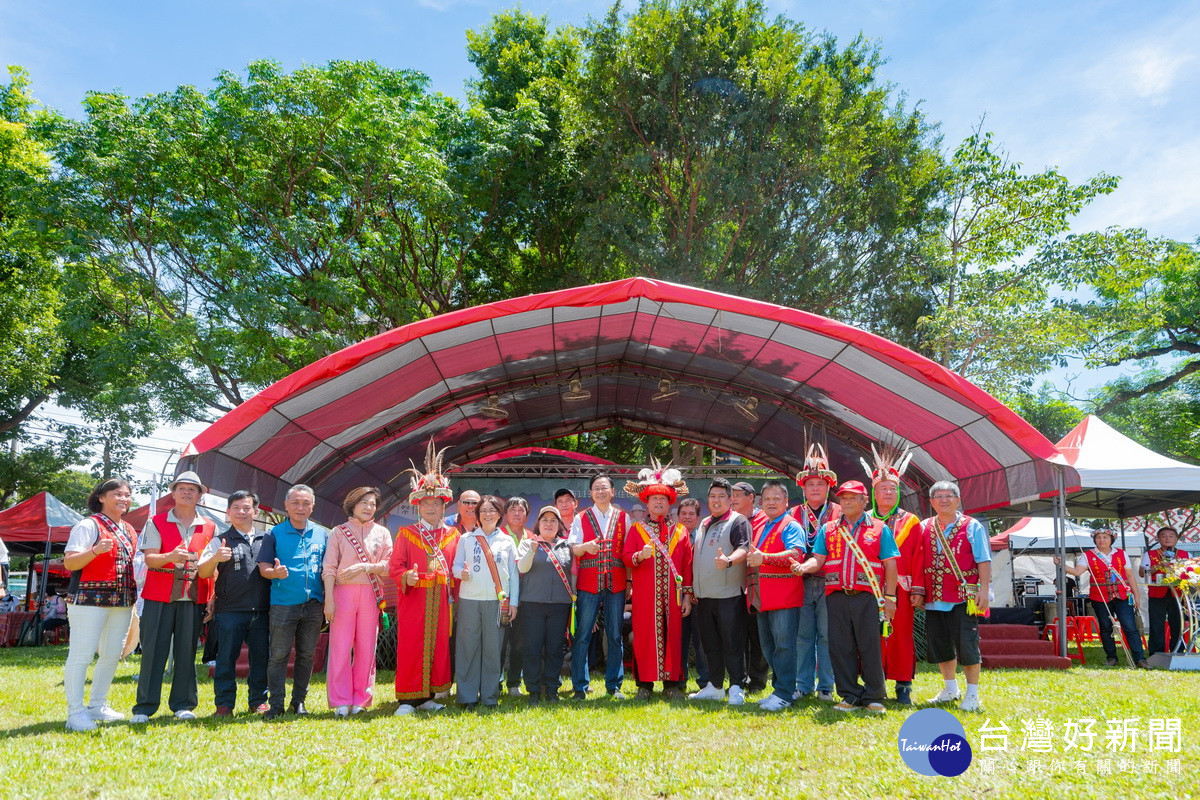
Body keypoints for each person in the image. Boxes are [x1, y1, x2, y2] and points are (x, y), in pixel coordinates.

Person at [800, 480, 898, 714]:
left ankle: (874, 695)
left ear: (865, 501)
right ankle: (849, 695)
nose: (847, 502)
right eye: (843, 498)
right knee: (840, 646)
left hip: (867, 597)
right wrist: (804, 567)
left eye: (853, 497)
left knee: (869, 646)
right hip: (836, 597)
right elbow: (819, 559)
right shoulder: (829, 529)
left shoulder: (879, 528)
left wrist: (890, 597)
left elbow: (890, 564)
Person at [132, 471, 217, 723]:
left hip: (193, 597)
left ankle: (183, 704)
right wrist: (170, 556)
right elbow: (149, 558)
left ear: (200, 495)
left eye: (193, 489)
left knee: (186, 652)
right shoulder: (156, 521)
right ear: (173, 492)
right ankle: (145, 707)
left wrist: (211, 596)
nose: (187, 492)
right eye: (182, 488)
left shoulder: (209, 526)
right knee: (152, 652)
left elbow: (211, 566)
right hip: (159, 596)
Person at [60, 478, 137, 731]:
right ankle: (75, 712)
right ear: (102, 497)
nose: (123, 499)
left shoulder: (129, 529)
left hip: (122, 600)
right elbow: (70, 563)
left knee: (112, 654)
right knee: (81, 655)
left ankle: (97, 705)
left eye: (127, 494)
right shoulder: (88, 525)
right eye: (117, 494)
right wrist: (95, 551)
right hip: (88, 600)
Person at [388, 440, 459, 714]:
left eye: (436, 503)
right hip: (414, 598)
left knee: (439, 645)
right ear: (419, 506)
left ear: (443, 506)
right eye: (426, 503)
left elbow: (457, 569)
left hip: (442, 601)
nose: (431, 507)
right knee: (412, 645)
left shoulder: (453, 536)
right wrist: (408, 576)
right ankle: (407, 699)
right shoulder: (407, 534)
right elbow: (395, 568)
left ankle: (428, 696)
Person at [911, 480, 991, 712]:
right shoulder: (925, 526)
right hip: (934, 598)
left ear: (958, 500)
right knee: (941, 646)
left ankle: (973, 694)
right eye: (939, 496)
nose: (944, 500)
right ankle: (950, 689)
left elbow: (983, 560)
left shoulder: (971, 525)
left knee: (967, 646)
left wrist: (984, 590)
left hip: (964, 598)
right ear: (932, 502)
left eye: (949, 496)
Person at [622, 460, 694, 700]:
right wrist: (638, 556)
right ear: (647, 503)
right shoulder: (637, 529)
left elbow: (687, 566)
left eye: (663, 499)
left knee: (673, 637)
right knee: (644, 637)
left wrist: (686, 595)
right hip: (646, 596)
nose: (659, 502)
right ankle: (644, 685)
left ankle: (672, 684)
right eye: (654, 499)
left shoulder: (680, 532)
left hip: (673, 597)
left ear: (669, 502)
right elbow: (625, 558)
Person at [258, 483, 328, 720]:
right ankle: (276, 703)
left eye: (305, 503)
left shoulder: (322, 534)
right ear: (286, 505)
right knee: (278, 655)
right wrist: (274, 573)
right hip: (283, 604)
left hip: (313, 605)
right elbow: (264, 567)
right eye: (295, 503)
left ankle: (298, 702)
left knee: (307, 655)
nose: (300, 507)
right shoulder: (274, 533)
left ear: (313, 506)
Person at [323, 486, 393, 716]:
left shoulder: (382, 533)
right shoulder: (339, 532)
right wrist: (329, 600)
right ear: (352, 503)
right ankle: (340, 700)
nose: (369, 507)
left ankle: (362, 699)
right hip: (342, 594)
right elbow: (329, 568)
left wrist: (366, 567)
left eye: (373, 503)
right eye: (364, 502)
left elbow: (388, 566)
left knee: (367, 649)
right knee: (341, 649)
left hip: (371, 595)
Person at [862, 445, 922, 704]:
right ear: (874, 493)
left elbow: (920, 558)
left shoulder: (911, 521)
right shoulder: (862, 520)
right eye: (883, 488)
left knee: (899, 635)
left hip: (902, 589)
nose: (889, 492)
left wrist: (918, 589)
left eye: (893, 489)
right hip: (868, 589)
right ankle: (873, 683)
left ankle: (903, 685)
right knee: (868, 636)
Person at [206, 490, 271, 717]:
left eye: (246, 508)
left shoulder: (268, 538)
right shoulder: (220, 539)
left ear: (256, 511)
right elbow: (203, 571)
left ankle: (258, 701)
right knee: (226, 658)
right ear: (228, 512)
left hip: (262, 610)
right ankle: (224, 705)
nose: (241, 512)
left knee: (261, 658)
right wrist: (215, 558)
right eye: (236, 508)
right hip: (229, 610)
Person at [567, 474, 631, 700]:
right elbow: (573, 549)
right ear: (591, 493)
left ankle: (614, 686)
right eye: (596, 488)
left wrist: (630, 582)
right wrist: (586, 547)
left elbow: (628, 552)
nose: (601, 491)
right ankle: (580, 688)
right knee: (583, 635)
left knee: (615, 635)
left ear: (613, 491)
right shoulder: (581, 517)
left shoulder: (624, 517)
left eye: (604, 488)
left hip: (617, 583)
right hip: (588, 582)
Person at [453, 494, 520, 709]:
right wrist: (460, 573)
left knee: (493, 650)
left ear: (500, 514)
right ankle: (467, 696)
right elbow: (455, 566)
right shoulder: (467, 539)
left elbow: (514, 574)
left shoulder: (507, 541)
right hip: (469, 600)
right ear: (478, 515)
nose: (487, 514)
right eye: (483, 511)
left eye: (492, 510)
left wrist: (514, 602)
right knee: (467, 648)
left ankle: (490, 697)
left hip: (496, 602)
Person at [689, 478, 751, 706]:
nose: (716, 500)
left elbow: (744, 548)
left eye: (721, 496)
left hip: (729, 595)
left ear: (730, 499)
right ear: (708, 500)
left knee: (732, 643)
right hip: (704, 597)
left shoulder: (737, 520)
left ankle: (736, 687)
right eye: (713, 496)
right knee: (710, 644)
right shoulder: (704, 522)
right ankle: (715, 686)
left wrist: (728, 561)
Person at [744, 481, 805, 711]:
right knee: (769, 647)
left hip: (785, 597)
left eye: (776, 498)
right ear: (761, 502)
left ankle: (785, 694)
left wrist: (765, 558)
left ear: (786, 502)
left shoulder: (791, 525)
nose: (771, 502)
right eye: (767, 498)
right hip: (764, 597)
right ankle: (779, 690)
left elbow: (796, 554)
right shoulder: (762, 527)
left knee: (784, 646)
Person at [1057, 529, 1147, 668]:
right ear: (1095, 540)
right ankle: (1111, 658)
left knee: (1129, 627)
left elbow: (1129, 575)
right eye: (1098, 537)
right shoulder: (1088, 555)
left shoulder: (1121, 553)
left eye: (1105, 537)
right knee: (1105, 628)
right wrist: (1062, 564)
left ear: (1111, 539)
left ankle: (1140, 659)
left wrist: (1137, 595)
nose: (1101, 540)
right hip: (1099, 596)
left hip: (1122, 595)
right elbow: (1077, 571)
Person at [794, 444, 839, 702]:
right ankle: (802, 684)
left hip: (830, 583)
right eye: (810, 484)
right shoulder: (793, 514)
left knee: (827, 635)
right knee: (802, 636)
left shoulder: (839, 512)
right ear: (803, 487)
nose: (815, 488)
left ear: (828, 487)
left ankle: (826, 686)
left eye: (820, 484)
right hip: (800, 581)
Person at [517, 506, 575, 703]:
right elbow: (522, 567)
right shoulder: (528, 543)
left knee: (554, 649)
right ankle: (533, 689)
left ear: (559, 525)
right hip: (532, 604)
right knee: (532, 648)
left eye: (553, 520)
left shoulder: (567, 546)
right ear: (538, 524)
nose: (549, 524)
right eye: (544, 520)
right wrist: (532, 551)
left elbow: (573, 575)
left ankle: (552, 689)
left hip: (559, 605)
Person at [730, 481, 770, 695]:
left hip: (758, 585)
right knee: (737, 635)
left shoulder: (765, 519)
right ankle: (738, 679)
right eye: (732, 494)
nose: (733, 498)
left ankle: (757, 681)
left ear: (751, 497)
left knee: (757, 635)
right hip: (733, 584)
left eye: (738, 494)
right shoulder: (729, 520)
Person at [676, 496, 710, 694]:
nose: (687, 517)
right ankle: (679, 681)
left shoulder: (704, 537)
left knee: (702, 643)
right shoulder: (671, 537)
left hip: (701, 598)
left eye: (691, 514)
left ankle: (705, 683)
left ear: (698, 517)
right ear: (677, 516)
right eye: (683, 513)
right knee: (679, 641)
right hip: (676, 598)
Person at [500, 495, 533, 695]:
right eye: (512, 510)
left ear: (527, 515)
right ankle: (495, 681)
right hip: (503, 596)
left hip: (526, 597)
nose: (517, 513)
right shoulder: (498, 535)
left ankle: (514, 683)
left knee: (520, 642)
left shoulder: (532, 537)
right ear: (505, 514)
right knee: (499, 642)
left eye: (521, 510)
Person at [1141, 526, 1188, 657]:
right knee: (1156, 624)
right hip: (1157, 593)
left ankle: (1178, 651)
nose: (1167, 538)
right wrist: (1160, 565)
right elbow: (1142, 573)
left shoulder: (1185, 554)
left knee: (1178, 623)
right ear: (1158, 539)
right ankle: (1156, 653)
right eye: (1164, 536)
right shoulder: (1149, 554)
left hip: (1178, 594)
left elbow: (1190, 572)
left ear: (1176, 539)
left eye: (1171, 536)